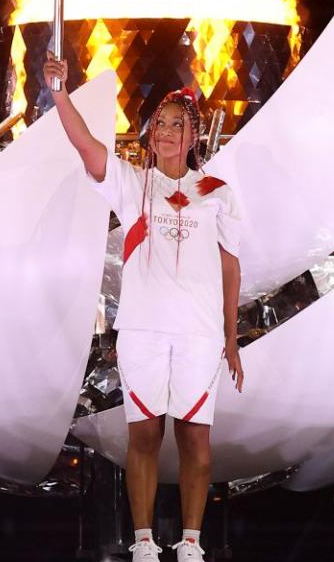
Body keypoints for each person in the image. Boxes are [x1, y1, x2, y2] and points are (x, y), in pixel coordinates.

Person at [43, 51, 245, 562]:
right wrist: (60, 93)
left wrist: (230, 336)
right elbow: (87, 147)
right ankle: (144, 543)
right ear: (151, 135)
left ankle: (193, 544)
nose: (169, 132)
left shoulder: (217, 193)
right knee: (146, 434)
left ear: (194, 136)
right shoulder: (133, 185)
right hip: (143, 332)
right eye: (161, 124)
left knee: (196, 439)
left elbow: (229, 266)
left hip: (199, 335)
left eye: (179, 125)